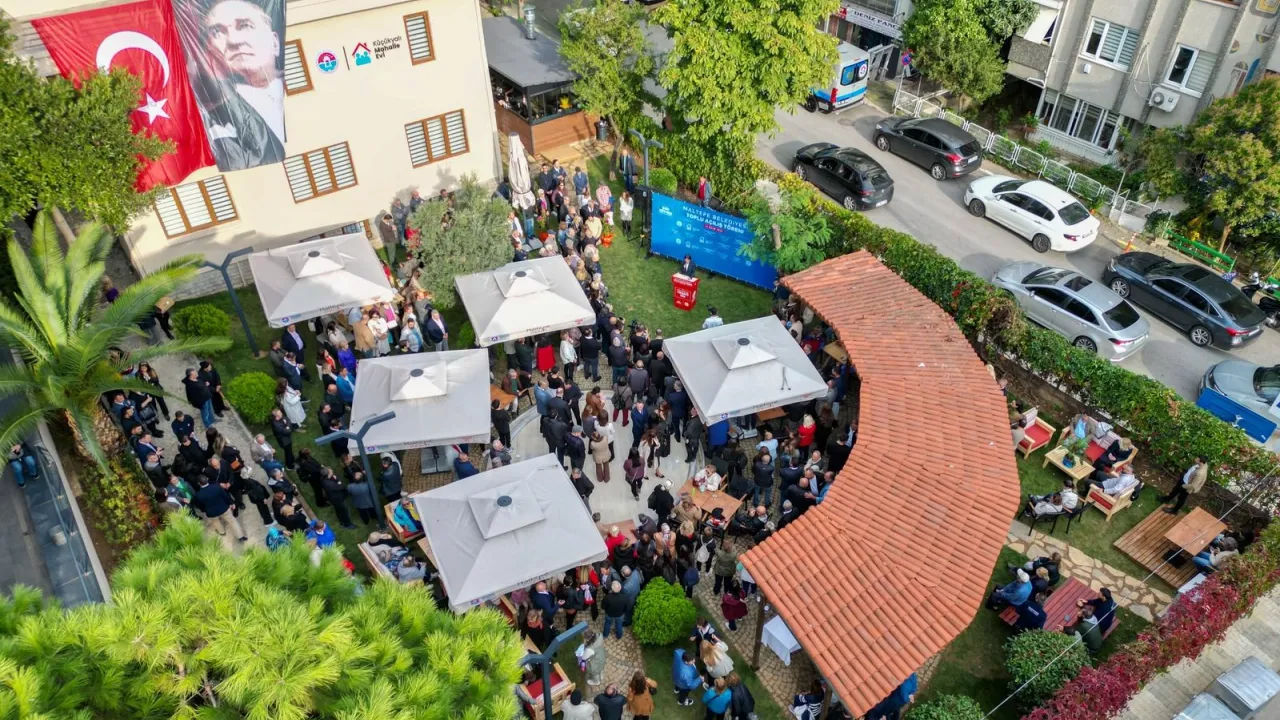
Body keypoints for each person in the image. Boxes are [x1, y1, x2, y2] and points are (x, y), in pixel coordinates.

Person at [190, 0, 287, 170]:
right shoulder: (214, 115)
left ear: (275, 43)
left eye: (245, 26)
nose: (234, 41)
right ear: (209, 52)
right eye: (217, 32)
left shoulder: (286, 98)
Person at [192, 475, 246, 541]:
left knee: (216, 522)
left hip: (211, 513)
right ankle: (240, 536)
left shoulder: (198, 495)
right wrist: (231, 503)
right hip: (224, 508)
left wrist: (204, 510)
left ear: (198, 483)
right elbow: (225, 496)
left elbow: (199, 505)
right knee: (232, 521)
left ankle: (222, 532)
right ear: (207, 479)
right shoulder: (217, 487)